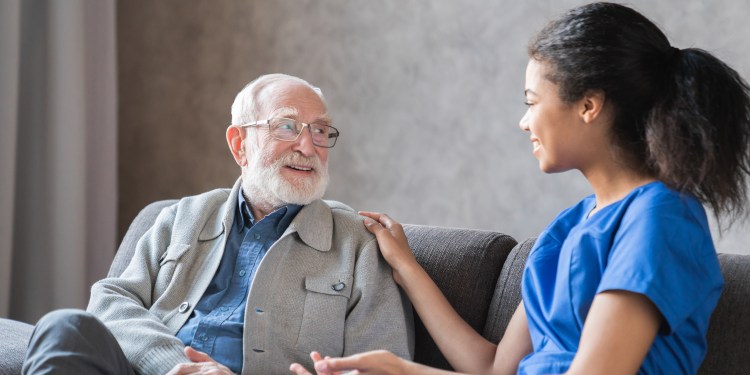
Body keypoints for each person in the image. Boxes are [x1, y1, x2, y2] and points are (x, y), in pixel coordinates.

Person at [290, 2, 750, 375]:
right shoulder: (569, 227)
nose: (524, 121)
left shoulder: (660, 217)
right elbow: (492, 367)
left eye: (532, 102)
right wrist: (405, 273)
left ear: (588, 105)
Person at [22, 73, 414, 375]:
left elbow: (388, 361)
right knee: (65, 327)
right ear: (239, 144)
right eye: (287, 127)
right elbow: (111, 301)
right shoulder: (181, 216)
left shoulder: (356, 242)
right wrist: (172, 363)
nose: (308, 146)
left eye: (320, 131)